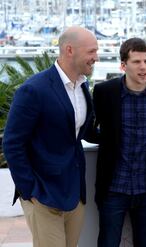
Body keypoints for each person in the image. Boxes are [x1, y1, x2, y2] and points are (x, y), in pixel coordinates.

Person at [2, 26, 98, 247]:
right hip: (43, 194)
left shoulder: (83, 87)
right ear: (69, 50)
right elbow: (12, 143)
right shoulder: (33, 89)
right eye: (91, 51)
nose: (96, 57)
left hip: (74, 193)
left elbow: (84, 131)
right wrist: (30, 191)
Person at [91, 38, 146, 247]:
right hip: (113, 187)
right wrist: (109, 139)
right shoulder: (104, 92)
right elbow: (90, 130)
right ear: (123, 65)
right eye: (137, 62)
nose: (143, 67)